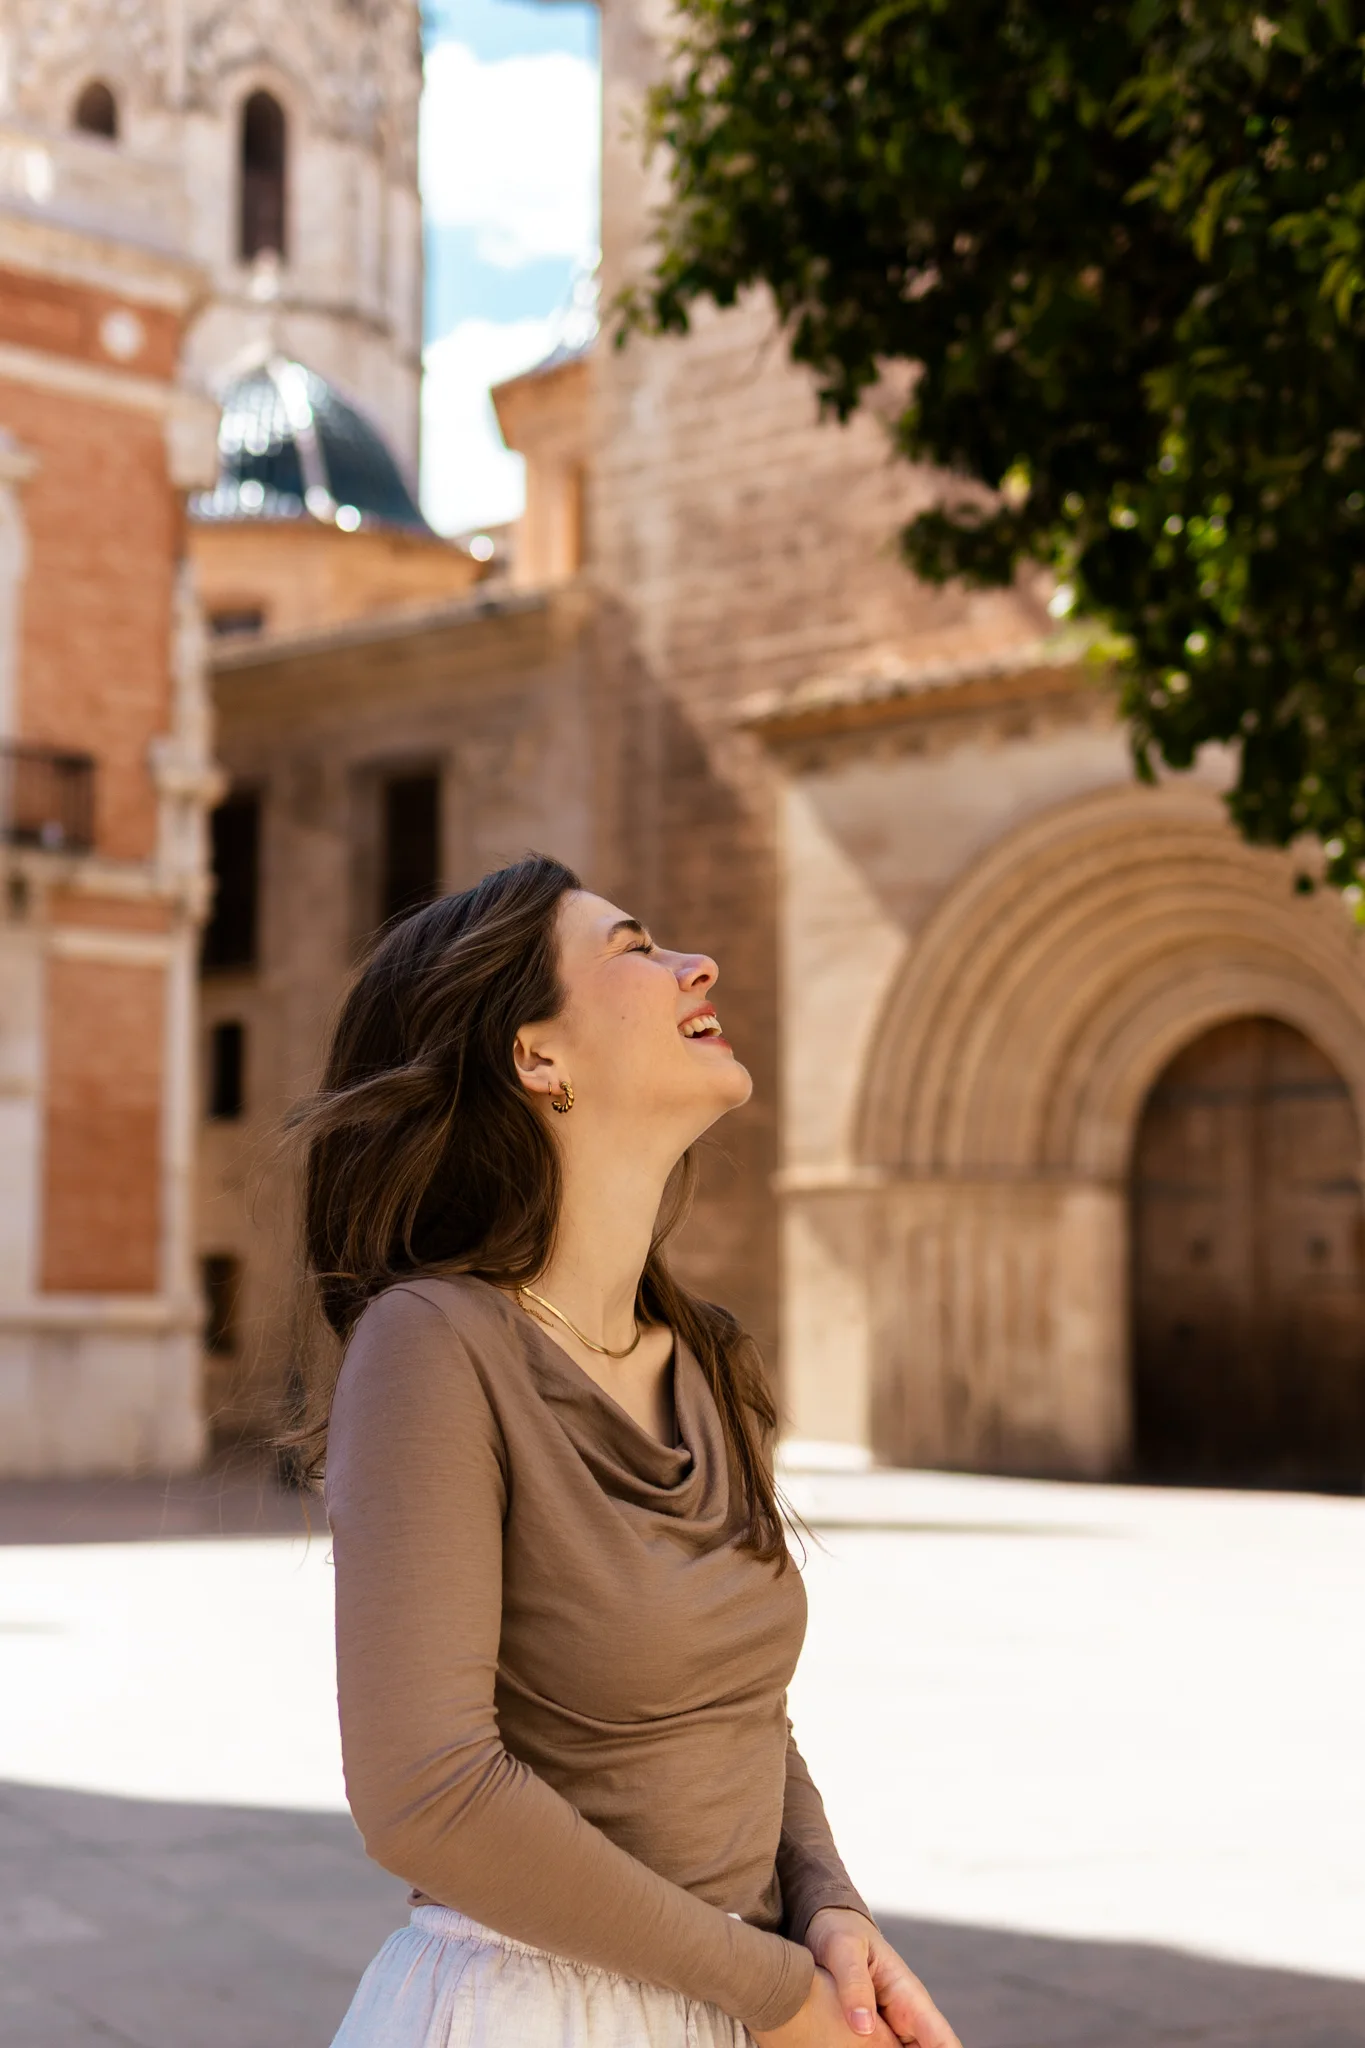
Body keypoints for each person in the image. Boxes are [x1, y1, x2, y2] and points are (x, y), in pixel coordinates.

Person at [288, 854, 961, 2048]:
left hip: (743, 1996)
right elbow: (426, 1795)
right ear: (536, 1056)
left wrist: (830, 1911)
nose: (696, 963)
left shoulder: (705, 1356)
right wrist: (777, 1991)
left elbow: (743, 1715)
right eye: (635, 948)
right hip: (538, 2009)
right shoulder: (433, 1344)